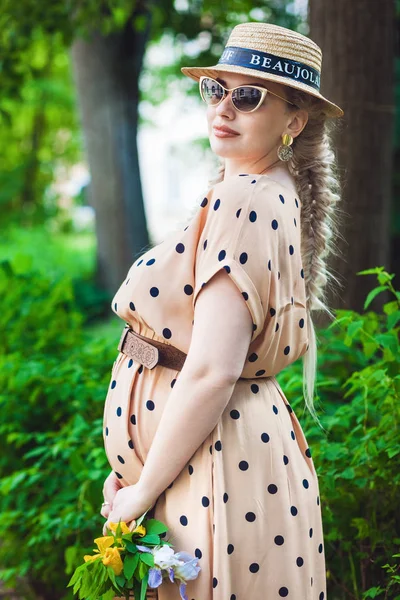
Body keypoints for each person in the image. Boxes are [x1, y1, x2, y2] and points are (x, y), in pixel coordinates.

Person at [101, 21, 344, 600]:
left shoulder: (246, 200)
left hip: (214, 472)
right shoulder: (267, 188)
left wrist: (141, 491)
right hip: (213, 462)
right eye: (217, 89)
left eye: (249, 95)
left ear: (294, 119)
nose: (225, 108)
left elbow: (212, 370)